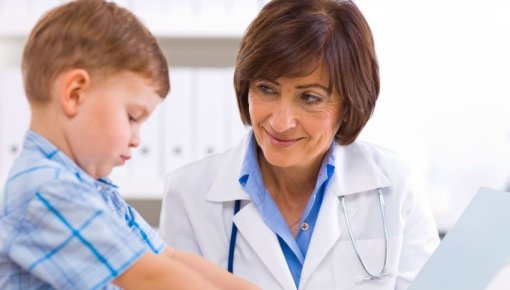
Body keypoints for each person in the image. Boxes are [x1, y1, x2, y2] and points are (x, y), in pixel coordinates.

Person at [159, 0, 440, 289]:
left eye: (310, 98)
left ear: (349, 104)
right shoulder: (188, 192)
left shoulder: (395, 184)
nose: (281, 122)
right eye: (267, 89)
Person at [0, 1, 260, 289]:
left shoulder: (97, 189)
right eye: (132, 117)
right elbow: (150, 276)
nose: (137, 139)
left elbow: (168, 257)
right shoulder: (46, 189)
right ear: (74, 94)